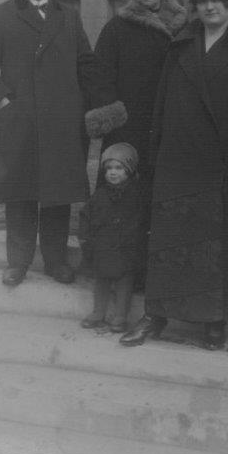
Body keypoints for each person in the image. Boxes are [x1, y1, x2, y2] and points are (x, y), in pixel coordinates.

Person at [120, 0, 228, 350]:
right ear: (195, 6)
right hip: (179, 160)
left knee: (219, 247)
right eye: (203, 1)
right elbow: (161, 103)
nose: (210, 7)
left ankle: (213, 321)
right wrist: (157, 154)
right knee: (170, 243)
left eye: (218, 1)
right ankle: (155, 316)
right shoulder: (181, 44)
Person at [0, 0, 99, 287]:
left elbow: (86, 63)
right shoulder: (1, 15)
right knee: (21, 193)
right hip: (20, 119)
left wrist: (84, 105)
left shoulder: (69, 16)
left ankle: (56, 261)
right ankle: (18, 262)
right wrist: (2, 103)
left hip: (61, 122)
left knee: (57, 193)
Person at [85, 0, 187, 278]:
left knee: (166, 199)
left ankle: (161, 272)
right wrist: (115, 115)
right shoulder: (117, 27)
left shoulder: (184, 25)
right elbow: (100, 76)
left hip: (171, 127)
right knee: (125, 200)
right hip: (129, 129)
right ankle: (120, 271)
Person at [79, 143, 142, 334]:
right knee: (102, 279)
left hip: (125, 247)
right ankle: (98, 312)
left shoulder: (136, 195)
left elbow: (140, 220)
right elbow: (86, 216)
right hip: (103, 247)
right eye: (109, 169)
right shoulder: (100, 194)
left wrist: (131, 240)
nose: (113, 173)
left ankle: (120, 316)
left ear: (129, 170)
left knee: (124, 281)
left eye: (119, 168)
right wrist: (86, 239)